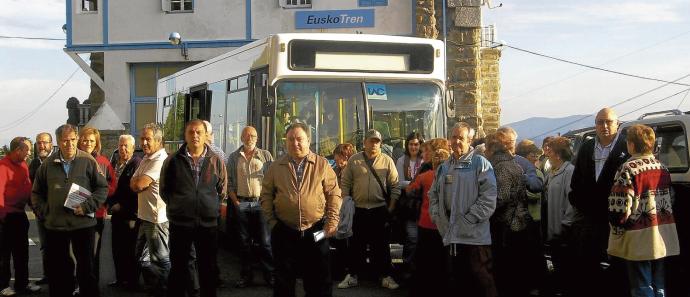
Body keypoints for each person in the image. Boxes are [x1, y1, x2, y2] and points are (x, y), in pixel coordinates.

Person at [260, 122, 342, 297]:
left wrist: (332, 221)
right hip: (285, 230)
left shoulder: (321, 164)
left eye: (299, 139)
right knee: (283, 281)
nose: (294, 143)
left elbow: (334, 194)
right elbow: (266, 194)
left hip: (316, 230)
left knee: (318, 280)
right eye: (290, 139)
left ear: (308, 141)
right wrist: (272, 222)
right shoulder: (277, 166)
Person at [32, 124, 108, 297]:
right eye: (65, 141)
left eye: (73, 140)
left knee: (86, 270)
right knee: (59, 272)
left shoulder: (88, 160)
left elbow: (102, 188)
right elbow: (36, 193)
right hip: (55, 227)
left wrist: (88, 206)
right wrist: (45, 212)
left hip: (83, 225)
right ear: (58, 142)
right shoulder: (47, 165)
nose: (70, 144)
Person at [607, 124, 679, 297]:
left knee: (642, 286)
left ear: (631, 145)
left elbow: (620, 209)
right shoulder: (662, 168)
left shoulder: (628, 169)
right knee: (659, 284)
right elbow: (672, 198)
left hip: (638, 236)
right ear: (652, 144)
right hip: (662, 234)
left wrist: (617, 227)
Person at [428, 122, 498, 297]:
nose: (456, 141)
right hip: (451, 236)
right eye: (454, 137)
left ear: (470, 140)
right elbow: (433, 194)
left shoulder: (480, 163)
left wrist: (467, 221)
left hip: (475, 239)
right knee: (457, 285)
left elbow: (488, 199)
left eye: (461, 138)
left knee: (482, 285)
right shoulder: (444, 166)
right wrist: (437, 216)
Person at [161, 119, 227, 297]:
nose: (195, 136)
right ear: (185, 135)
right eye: (191, 132)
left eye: (199, 132)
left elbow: (222, 190)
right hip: (180, 223)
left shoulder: (216, 160)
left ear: (206, 135)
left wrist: (209, 207)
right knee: (179, 270)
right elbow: (164, 191)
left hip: (207, 224)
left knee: (208, 270)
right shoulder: (173, 160)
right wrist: (179, 206)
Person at [568, 107, 630, 296]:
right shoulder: (586, 147)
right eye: (599, 122)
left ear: (617, 123)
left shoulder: (626, 146)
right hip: (589, 217)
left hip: (618, 219)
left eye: (608, 121)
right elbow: (576, 181)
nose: (604, 126)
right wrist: (581, 204)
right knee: (588, 263)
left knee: (618, 265)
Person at [339, 129, 401, 290]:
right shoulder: (354, 160)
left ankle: (385, 276)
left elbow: (395, 186)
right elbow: (345, 182)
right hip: (358, 209)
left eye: (377, 141)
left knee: (381, 246)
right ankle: (352, 275)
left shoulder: (387, 160)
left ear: (380, 143)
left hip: (379, 209)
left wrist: (391, 207)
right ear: (365, 142)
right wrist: (346, 203)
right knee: (355, 245)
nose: (374, 144)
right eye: (371, 141)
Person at [226, 126, 275, 288]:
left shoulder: (266, 156)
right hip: (242, 203)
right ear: (241, 137)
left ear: (257, 138)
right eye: (247, 135)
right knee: (243, 243)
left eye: (253, 135)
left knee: (265, 242)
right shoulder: (234, 157)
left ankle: (270, 275)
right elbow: (229, 184)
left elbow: (272, 180)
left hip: (261, 204)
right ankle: (246, 276)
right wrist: (236, 202)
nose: (250, 138)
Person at [485, 131, 532, 297]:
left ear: (492, 150)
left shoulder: (501, 168)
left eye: (486, 149)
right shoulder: (511, 164)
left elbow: (500, 198)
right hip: (515, 225)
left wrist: (481, 208)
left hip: (509, 227)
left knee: (507, 272)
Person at [131, 123, 170, 297]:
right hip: (145, 217)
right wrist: (139, 182)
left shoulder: (160, 160)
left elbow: (138, 183)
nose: (144, 143)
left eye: (148, 139)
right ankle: (155, 288)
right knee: (142, 258)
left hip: (157, 220)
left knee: (160, 260)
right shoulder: (147, 158)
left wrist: (139, 182)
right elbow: (133, 184)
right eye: (142, 139)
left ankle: (165, 290)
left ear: (158, 140)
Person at [0, 137, 41, 296]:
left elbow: (28, 189)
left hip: (19, 215)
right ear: (18, 150)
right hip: (5, 217)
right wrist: (2, 216)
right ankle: (3, 285)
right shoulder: (3, 166)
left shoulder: (23, 165)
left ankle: (22, 284)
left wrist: (35, 208)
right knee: (4, 255)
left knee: (22, 253)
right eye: (27, 149)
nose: (29, 152)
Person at [407, 147, 450, 297]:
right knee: (441, 260)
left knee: (424, 260)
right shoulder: (452, 177)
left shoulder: (425, 176)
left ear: (433, 162)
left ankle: (421, 289)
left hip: (425, 222)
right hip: (445, 225)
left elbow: (409, 190)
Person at [78, 127, 117, 282]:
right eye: (85, 140)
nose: (88, 143)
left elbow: (112, 187)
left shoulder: (102, 162)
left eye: (92, 141)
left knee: (93, 254)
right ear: (80, 140)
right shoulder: (73, 159)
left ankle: (91, 288)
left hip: (96, 214)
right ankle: (78, 285)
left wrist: (96, 196)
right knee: (77, 254)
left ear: (97, 143)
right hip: (75, 213)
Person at [106, 135, 142, 289]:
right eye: (120, 146)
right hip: (116, 214)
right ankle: (120, 279)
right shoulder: (115, 164)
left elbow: (136, 192)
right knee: (117, 248)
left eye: (126, 146)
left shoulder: (136, 164)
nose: (122, 149)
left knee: (130, 250)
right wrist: (112, 203)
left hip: (130, 214)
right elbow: (110, 186)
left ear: (133, 148)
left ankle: (132, 281)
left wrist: (123, 206)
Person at [542, 137, 576, 295]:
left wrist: (566, 223)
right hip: (552, 226)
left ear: (557, 154)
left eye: (549, 151)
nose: (547, 154)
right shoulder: (551, 172)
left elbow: (572, 200)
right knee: (557, 262)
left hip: (563, 228)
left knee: (566, 265)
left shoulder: (569, 171)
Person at [395, 132, 424, 273]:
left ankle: (415, 266)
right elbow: (399, 182)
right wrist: (417, 183)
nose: (413, 147)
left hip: (421, 205)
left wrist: (411, 184)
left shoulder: (424, 160)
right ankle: (404, 266)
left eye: (416, 144)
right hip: (407, 207)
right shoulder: (401, 160)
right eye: (411, 144)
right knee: (410, 237)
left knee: (419, 239)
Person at [28, 132, 53, 286]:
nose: (41, 146)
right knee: (45, 245)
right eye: (39, 143)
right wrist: (34, 208)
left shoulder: (56, 160)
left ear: (51, 144)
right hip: (40, 213)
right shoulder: (34, 164)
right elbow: (29, 188)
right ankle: (47, 275)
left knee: (60, 245)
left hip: (57, 213)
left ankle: (62, 275)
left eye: (44, 142)